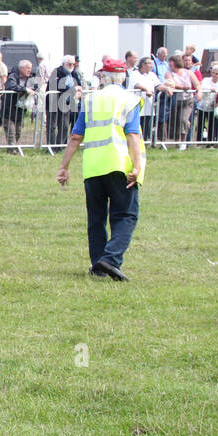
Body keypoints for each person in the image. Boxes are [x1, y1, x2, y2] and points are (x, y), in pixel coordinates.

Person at [55, 58, 145, 281]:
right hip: (119, 165)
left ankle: (98, 265)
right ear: (122, 76)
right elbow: (132, 135)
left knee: (96, 218)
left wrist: (64, 167)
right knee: (125, 215)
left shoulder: (90, 100)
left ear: (104, 77)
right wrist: (138, 165)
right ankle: (111, 259)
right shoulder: (129, 99)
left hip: (93, 167)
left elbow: (76, 136)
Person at [194, 62, 218, 148]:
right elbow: (202, 87)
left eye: (216, 73)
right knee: (200, 124)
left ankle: (210, 143)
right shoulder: (206, 80)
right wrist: (210, 89)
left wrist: (217, 103)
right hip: (203, 106)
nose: (214, 74)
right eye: (213, 72)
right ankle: (199, 143)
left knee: (212, 125)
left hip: (213, 107)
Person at [49, 55, 83, 146]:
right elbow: (58, 85)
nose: (72, 65)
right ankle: (51, 146)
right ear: (64, 64)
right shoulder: (56, 72)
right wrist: (74, 89)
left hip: (67, 103)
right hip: (54, 102)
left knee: (64, 125)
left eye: (73, 64)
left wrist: (79, 92)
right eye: (69, 64)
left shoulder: (74, 73)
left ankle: (60, 146)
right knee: (52, 126)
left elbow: (79, 86)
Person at [3, 59, 37, 150]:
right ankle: (11, 150)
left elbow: (35, 87)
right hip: (9, 110)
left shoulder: (30, 78)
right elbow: (11, 86)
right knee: (11, 132)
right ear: (21, 68)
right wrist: (25, 90)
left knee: (18, 132)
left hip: (21, 110)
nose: (30, 70)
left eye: (30, 68)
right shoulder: (12, 76)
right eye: (28, 68)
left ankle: (13, 147)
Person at [129, 56, 160, 142]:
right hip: (136, 105)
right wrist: (146, 90)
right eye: (150, 64)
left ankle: (145, 141)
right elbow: (136, 84)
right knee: (137, 125)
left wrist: (167, 88)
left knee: (147, 125)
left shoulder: (152, 75)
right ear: (143, 64)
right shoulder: (134, 74)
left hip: (148, 106)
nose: (152, 66)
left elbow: (158, 85)